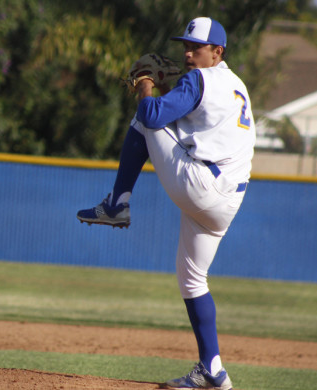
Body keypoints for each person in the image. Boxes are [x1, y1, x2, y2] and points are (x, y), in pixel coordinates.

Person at [77, 17, 255, 389]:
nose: (188, 55)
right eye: (185, 47)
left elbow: (152, 114)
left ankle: (117, 204)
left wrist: (145, 83)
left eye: (196, 48)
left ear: (217, 52)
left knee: (145, 121)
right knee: (192, 280)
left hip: (201, 185)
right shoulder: (237, 85)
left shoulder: (199, 79)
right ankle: (213, 371)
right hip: (227, 202)